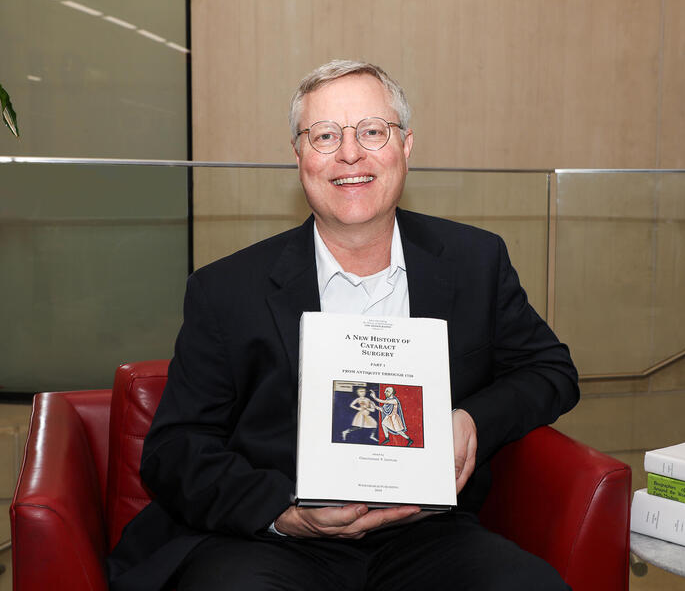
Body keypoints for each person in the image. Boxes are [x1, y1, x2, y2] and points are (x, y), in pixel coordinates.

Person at [107, 59, 579, 591]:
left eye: (372, 132)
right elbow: (175, 450)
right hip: (271, 542)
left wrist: (472, 419)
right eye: (325, 135)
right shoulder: (226, 290)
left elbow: (551, 370)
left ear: (406, 147)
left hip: (430, 538)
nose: (350, 153)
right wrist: (285, 511)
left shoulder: (475, 261)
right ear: (299, 157)